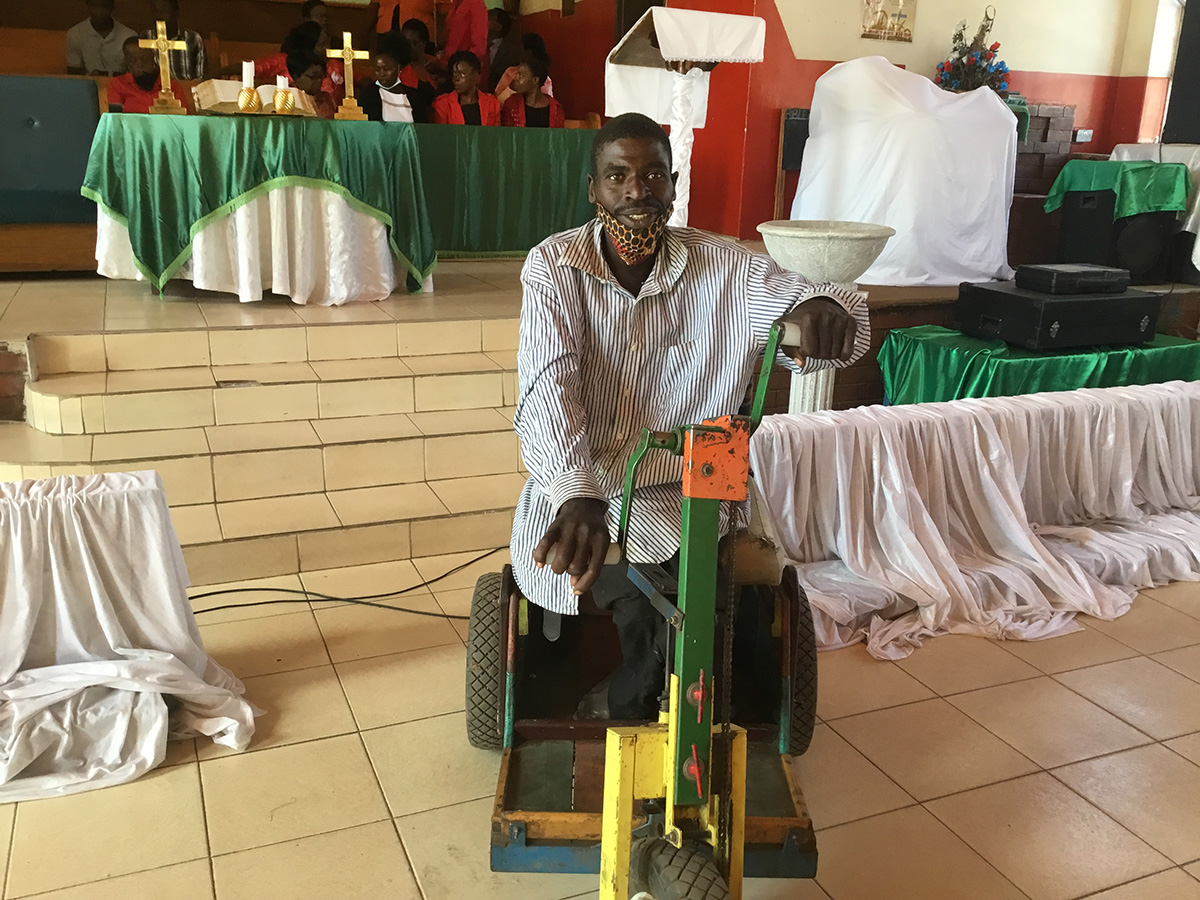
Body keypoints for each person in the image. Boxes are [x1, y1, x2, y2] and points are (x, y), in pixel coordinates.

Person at [511, 113, 869, 719]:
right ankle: (639, 704)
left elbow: (823, 306)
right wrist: (576, 492)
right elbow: (548, 385)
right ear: (593, 190)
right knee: (633, 583)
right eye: (617, 176)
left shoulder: (726, 265)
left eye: (654, 174)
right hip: (590, 479)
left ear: (674, 184)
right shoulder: (555, 266)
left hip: (700, 476)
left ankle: (664, 699)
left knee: (696, 584)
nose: (637, 190)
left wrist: (822, 306)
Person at [106, 35, 190, 111]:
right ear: (127, 62)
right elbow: (115, 117)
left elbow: (183, 115)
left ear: (153, 57)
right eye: (133, 60)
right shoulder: (119, 84)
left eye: (144, 58)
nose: (140, 64)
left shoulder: (170, 85)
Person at [66, 0, 137, 76]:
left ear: (112, 7)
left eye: (104, 6)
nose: (100, 11)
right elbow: (73, 72)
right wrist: (90, 77)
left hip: (122, 82)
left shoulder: (129, 35)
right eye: (95, 6)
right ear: (88, 6)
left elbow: (137, 71)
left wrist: (113, 76)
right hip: (88, 82)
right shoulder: (75, 33)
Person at [142, 0, 206, 81]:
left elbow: (200, 77)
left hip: (186, 87)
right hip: (156, 87)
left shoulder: (193, 38)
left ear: (176, 13)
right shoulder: (145, 37)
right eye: (155, 11)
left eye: (164, 12)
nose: (159, 16)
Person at [431, 51, 500, 125]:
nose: (456, 78)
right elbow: (441, 132)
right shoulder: (442, 105)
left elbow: (496, 131)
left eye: (462, 74)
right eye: (454, 74)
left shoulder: (492, 104)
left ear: (476, 76)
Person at [360, 33, 417, 122]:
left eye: (387, 69)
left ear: (399, 68)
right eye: (377, 69)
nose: (382, 73)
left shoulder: (414, 97)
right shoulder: (369, 95)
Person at [398, 18, 448, 119]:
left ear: (424, 43)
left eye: (414, 43)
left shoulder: (436, 64)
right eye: (406, 42)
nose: (409, 47)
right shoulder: (398, 67)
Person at [500, 55, 563, 128]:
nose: (515, 79)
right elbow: (506, 132)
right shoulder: (511, 104)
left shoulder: (556, 109)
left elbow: (557, 134)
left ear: (535, 80)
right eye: (516, 74)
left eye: (521, 76)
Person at [493, 33, 553, 105]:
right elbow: (496, 95)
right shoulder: (510, 71)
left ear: (528, 52)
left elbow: (544, 104)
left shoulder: (544, 80)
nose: (517, 51)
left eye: (520, 48)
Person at [440, 0, 488, 84]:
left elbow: (479, 47)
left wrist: (457, 67)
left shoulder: (476, 4)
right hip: (450, 71)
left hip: (465, 76)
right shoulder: (454, 5)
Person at [287, 48, 336, 119]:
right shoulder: (288, 98)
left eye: (321, 76)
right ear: (296, 77)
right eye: (313, 77)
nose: (319, 80)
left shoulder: (326, 98)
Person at [484, 8, 520, 92]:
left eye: (487, 18)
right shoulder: (474, 45)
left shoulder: (511, 52)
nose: (482, 21)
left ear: (498, 27)